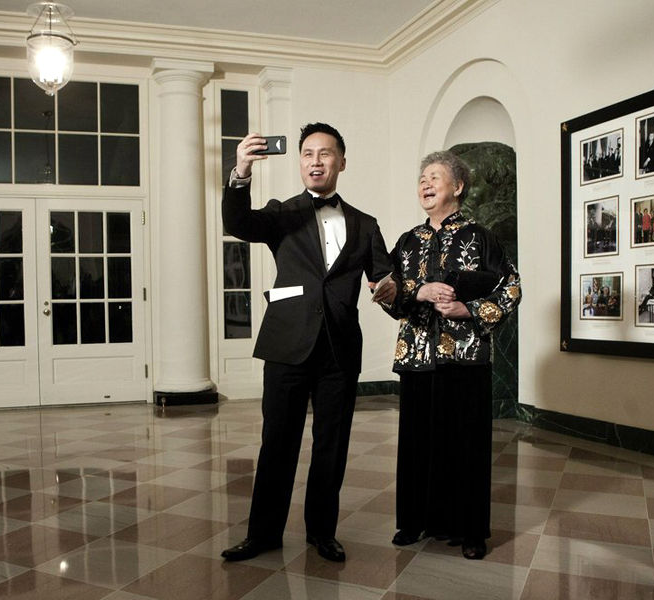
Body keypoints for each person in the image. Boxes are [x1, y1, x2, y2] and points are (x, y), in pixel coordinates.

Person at [219, 123, 396, 563]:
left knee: (331, 446)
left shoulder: (366, 224)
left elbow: (386, 279)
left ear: (341, 162)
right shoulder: (283, 213)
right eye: (307, 154)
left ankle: (322, 532)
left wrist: (392, 289)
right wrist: (241, 171)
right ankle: (262, 534)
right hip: (287, 344)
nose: (316, 161)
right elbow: (238, 222)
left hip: (339, 350)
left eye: (325, 153)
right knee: (277, 442)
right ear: (299, 162)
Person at [380, 151, 521, 560]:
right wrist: (415, 291)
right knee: (417, 443)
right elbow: (387, 292)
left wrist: (470, 310)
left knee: (466, 445)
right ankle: (413, 521)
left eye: (435, 177)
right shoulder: (407, 241)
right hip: (417, 355)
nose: (425, 184)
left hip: (466, 355)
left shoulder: (482, 237)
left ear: (457, 187)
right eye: (422, 177)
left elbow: (511, 288)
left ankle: (471, 530)